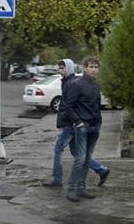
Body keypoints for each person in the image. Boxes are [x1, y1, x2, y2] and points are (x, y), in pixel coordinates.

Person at [44, 59, 110, 188]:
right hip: (76, 124)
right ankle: (101, 170)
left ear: (69, 68)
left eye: (63, 68)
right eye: (59, 68)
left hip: (71, 125)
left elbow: (69, 107)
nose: (60, 71)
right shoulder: (68, 82)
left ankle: (58, 179)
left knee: (59, 149)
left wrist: (77, 122)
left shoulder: (71, 83)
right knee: (78, 155)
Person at [65, 57, 103, 202]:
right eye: (91, 66)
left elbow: (97, 104)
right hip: (82, 126)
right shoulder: (77, 84)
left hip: (95, 126)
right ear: (85, 68)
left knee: (87, 158)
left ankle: (81, 188)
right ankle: (71, 189)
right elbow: (69, 106)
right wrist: (78, 122)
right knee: (80, 159)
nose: (94, 69)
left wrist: (99, 122)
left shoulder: (96, 85)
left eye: (96, 67)